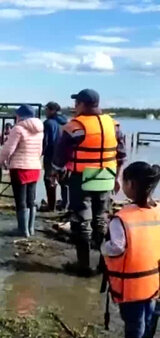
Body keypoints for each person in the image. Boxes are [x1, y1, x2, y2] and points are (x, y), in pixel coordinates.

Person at [52, 89, 127, 277]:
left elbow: (60, 155)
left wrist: (55, 172)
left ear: (83, 105)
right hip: (106, 177)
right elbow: (121, 155)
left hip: (82, 178)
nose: (74, 107)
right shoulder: (114, 125)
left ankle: (84, 265)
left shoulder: (75, 126)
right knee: (101, 219)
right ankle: (104, 264)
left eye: (76, 103)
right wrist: (117, 178)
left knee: (80, 220)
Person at [102, 161, 160, 338]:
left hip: (131, 286)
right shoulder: (157, 210)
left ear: (131, 184)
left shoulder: (122, 218)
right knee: (148, 318)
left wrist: (103, 246)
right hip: (152, 281)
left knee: (135, 325)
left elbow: (116, 248)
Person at [0, 105, 44, 237]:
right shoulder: (40, 130)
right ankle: (30, 229)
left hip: (20, 167)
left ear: (21, 116)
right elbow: (40, 150)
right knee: (31, 199)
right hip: (35, 166)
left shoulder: (18, 128)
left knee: (20, 199)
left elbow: (8, 149)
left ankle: (22, 230)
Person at [41, 101, 68, 212]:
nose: (45, 111)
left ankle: (51, 207)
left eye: (46, 109)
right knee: (64, 182)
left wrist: (41, 153)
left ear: (52, 110)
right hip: (65, 157)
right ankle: (66, 205)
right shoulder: (66, 123)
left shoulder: (48, 123)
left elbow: (46, 141)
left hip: (51, 156)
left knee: (49, 181)